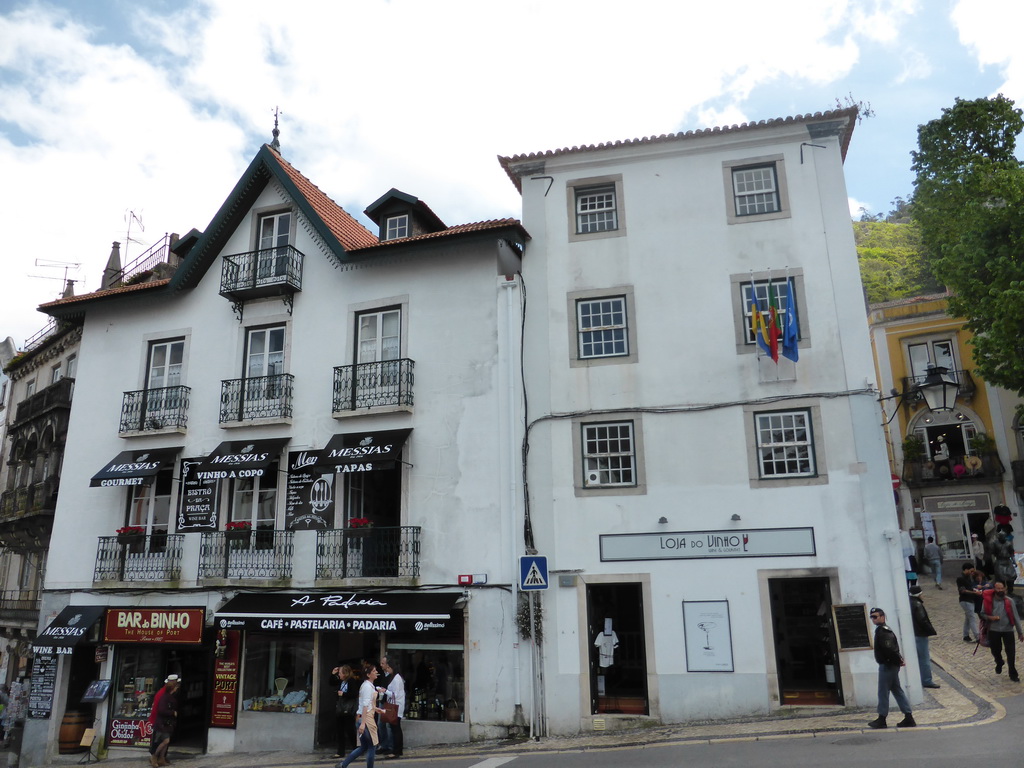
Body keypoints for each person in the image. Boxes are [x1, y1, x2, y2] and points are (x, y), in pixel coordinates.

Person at [867, 607, 915, 728]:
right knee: (897, 690)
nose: (873, 619)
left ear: (882, 617)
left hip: (888, 666)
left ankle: (882, 718)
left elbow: (890, 650)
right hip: (890, 665)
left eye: (875, 616)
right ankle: (908, 717)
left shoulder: (884, 632)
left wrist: (898, 660)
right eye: (871, 617)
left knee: (883, 692)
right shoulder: (882, 631)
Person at [338, 664, 386, 768]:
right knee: (372, 745)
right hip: (366, 718)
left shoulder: (369, 686)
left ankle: (343, 765)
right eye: (374, 671)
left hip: (364, 716)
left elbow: (368, 704)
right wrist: (363, 723)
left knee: (364, 746)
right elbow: (364, 706)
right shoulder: (367, 687)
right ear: (368, 674)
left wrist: (377, 709)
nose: (376, 672)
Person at [981, 581, 1023, 682]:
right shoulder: (988, 600)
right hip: (994, 630)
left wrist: (1020, 632)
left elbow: (1016, 617)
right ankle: (999, 662)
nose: (1000, 590)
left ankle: (1013, 673)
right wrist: (990, 617)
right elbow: (982, 613)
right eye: (997, 588)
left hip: (1008, 630)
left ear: (1005, 589)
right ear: (994, 589)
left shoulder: (1009, 601)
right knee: (995, 650)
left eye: (1001, 588)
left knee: (1011, 653)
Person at [908, 586, 940, 688]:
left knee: (917, 658)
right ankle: (927, 680)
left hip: (913, 633)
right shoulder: (917, 604)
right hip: (920, 634)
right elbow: (922, 620)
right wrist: (931, 630)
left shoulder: (909, 603)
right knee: (924, 658)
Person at [329, 664, 359, 758]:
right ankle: (340, 751)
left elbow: (354, 694)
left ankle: (356, 749)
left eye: (340, 673)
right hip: (340, 708)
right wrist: (333, 674)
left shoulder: (351, 681)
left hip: (348, 708)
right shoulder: (340, 681)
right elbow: (331, 683)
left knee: (350, 729)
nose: (339, 675)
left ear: (345, 673)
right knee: (339, 730)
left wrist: (343, 694)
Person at [148, 674, 179, 767]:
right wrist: (172, 713)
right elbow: (160, 709)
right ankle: (155, 756)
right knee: (162, 740)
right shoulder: (163, 695)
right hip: (161, 722)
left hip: (165, 722)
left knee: (165, 741)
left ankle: (161, 758)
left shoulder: (167, 694)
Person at [378, 655, 405, 759]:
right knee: (395, 728)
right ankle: (397, 750)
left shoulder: (397, 679)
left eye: (388, 667)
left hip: (396, 706)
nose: (387, 669)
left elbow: (395, 694)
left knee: (395, 729)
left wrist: (385, 691)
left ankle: (396, 751)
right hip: (395, 706)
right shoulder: (395, 677)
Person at [957, 562, 982, 642]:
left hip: (970, 600)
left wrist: (975, 589)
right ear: (966, 570)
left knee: (968, 618)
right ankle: (977, 637)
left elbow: (969, 588)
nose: (972, 573)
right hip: (965, 600)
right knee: (972, 618)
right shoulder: (960, 578)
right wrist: (975, 592)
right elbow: (962, 590)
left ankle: (966, 635)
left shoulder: (968, 578)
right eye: (971, 571)